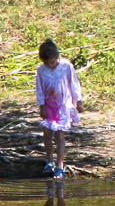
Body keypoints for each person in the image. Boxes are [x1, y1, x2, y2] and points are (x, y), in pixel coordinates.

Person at [35, 38, 84, 178]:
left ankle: (59, 165)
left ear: (57, 57)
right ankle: (49, 161)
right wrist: (42, 105)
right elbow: (39, 88)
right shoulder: (41, 70)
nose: (50, 65)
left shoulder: (66, 66)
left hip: (63, 105)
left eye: (52, 62)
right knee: (48, 132)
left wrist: (78, 100)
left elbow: (74, 83)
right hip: (49, 105)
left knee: (59, 134)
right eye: (47, 62)